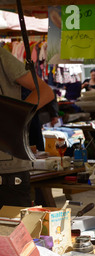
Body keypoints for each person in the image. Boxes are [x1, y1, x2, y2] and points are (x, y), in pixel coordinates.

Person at [0, 47, 55, 208]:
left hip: (8, 172)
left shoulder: (2, 57)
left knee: (12, 230)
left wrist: (14, 117)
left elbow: (44, 91)